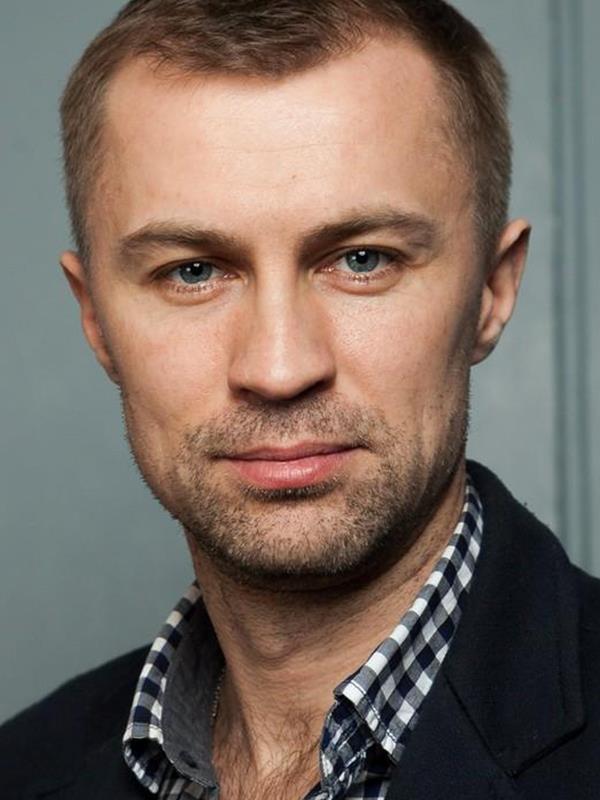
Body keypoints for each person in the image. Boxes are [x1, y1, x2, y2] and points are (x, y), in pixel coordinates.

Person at [2, 0, 599, 798]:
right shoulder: (22, 770)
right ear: (95, 320)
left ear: (492, 291)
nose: (279, 368)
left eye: (362, 259)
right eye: (192, 272)